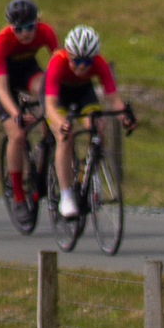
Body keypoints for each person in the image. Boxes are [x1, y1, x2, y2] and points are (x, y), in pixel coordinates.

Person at [43, 26, 134, 219]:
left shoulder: (100, 63)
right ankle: (66, 196)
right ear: (68, 54)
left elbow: (113, 98)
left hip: (83, 94)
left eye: (87, 61)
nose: (82, 66)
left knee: (98, 126)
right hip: (58, 97)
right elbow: (50, 106)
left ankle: (86, 175)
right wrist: (61, 123)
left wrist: (125, 118)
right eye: (76, 60)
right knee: (65, 136)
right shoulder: (57, 62)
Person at [0, 0, 59, 216]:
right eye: (18, 29)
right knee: (18, 134)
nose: (25, 33)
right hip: (3, 80)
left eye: (29, 27)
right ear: (11, 27)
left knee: (46, 91)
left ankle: (47, 144)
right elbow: (1, 89)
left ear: (37, 22)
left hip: (28, 70)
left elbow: (60, 65)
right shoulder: (2, 41)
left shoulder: (46, 32)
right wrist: (16, 113)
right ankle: (18, 195)